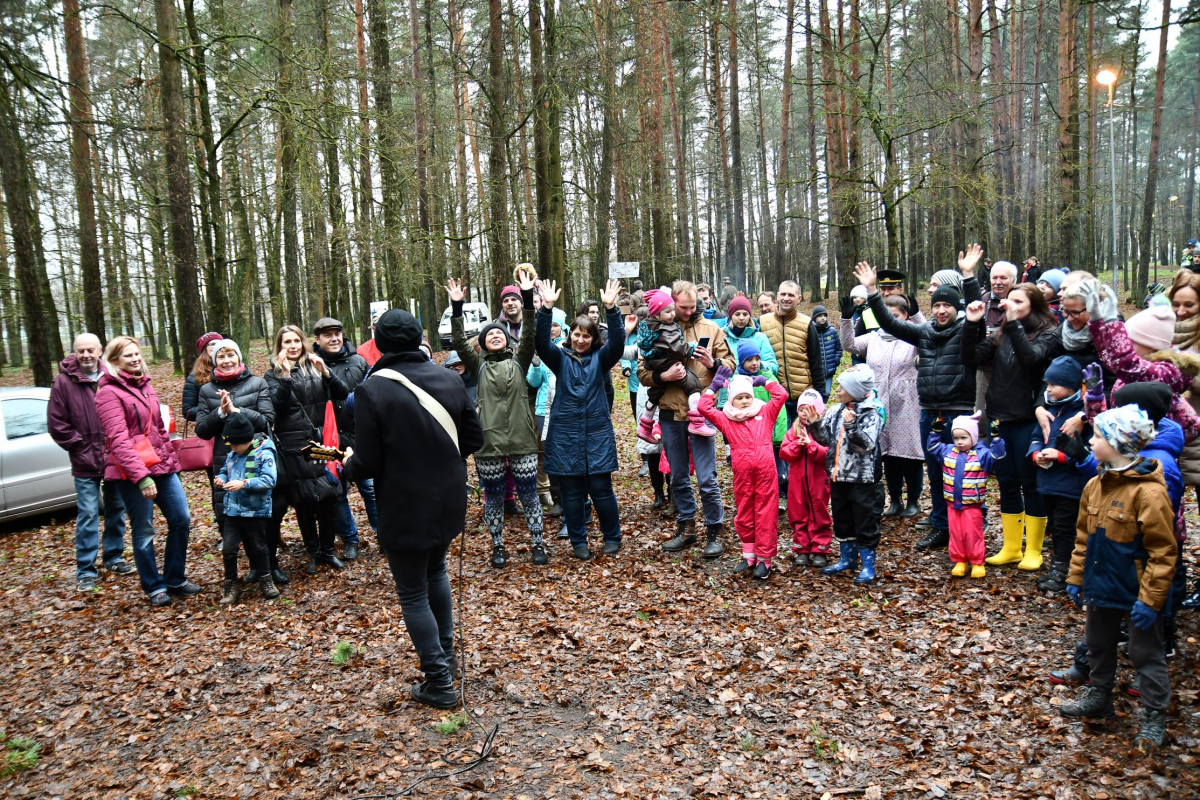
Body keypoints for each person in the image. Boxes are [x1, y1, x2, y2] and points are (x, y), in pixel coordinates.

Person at [342, 308, 484, 709]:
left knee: (411, 591)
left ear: (380, 344)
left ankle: (439, 680)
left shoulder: (373, 389)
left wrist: (348, 464)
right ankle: (448, 660)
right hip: (449, 497)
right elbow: (474, 439)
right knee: (435, 570)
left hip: (405, 503)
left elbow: (366, 462)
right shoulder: (448, 377)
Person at [1059, 405, 1174, 754]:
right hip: (1101, 584)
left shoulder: (1148, 493)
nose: (1090, 441)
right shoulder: (1095, 484)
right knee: (1098, 642)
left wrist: (1150, 600)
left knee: (1145, 652)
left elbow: (1163, 552)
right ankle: (1099, 696)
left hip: (1136, 591)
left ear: (1118, 442)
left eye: (1097, 436)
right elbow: (1083, 537)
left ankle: (1154, 716)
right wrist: (1077, 577)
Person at [855, 262, 975, 550]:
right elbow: (891, 323)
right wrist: (872, 292)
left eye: (948, 305)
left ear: (957, 308)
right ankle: (940, 526)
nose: (942, 310)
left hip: (959, 413)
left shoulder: (966, 331)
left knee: (963, 474)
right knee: (935, 474)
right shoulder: (925, 333)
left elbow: (976, 313)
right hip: (929, 413)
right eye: (937, 306)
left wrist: (969, 277)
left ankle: (967, 529)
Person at [446, 272, 545, 568]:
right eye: (489, 334)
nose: (496, 334)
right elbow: (459, 343)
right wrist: (457, 308)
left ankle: (538, 542)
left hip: (523, 439)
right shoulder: (477, 366)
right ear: (484, 343)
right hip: (488, 443)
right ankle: (498, 547)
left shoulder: (520, 359)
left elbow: (528, 332)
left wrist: (528, 298)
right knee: (494, 498)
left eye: (499, 332)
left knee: (529, 495)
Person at [963, 278, 1062, 571]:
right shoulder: (1002, 333)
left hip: (1029, 420)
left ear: (1035, 306)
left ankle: (1033, 549)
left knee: (1030, 485)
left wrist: (1014, 323)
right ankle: (1010, 547)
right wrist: (972, 324)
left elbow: (1030, 360)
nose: (1011, 306)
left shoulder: (1049, 334)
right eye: (1011, 301)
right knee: (1006, 483)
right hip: (1000, 420)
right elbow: (970, 357)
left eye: (1020, 303)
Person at [95, 336, 198, 606]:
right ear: (115, 360)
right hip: (131, 474)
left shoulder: (145, 384)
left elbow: (159, 429)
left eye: (137, 354)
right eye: (128, 355)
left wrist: (171, 463)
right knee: (144, 530)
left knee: (181, 518)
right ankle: (154, 586)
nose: (135, 359)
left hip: (161, 466)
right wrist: (141, 478)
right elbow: (118, 440)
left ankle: (175, 578)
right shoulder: (107, 392)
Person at [641, 280, 736, 558]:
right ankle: (686, 528)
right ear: (671, 303)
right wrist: (662, 376)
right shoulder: (656, 328)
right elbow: (642, 371)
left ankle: (715, 531)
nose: (687, 311)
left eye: (692, 306)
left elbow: (731, 364)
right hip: (671, 413)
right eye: (681, 307)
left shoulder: (712, 328)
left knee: (707, 478)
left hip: (702, 412)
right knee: (678, 476)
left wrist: (712, 363)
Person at [536, 278, 626, 560]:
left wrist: (612, 309)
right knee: (572, 493)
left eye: (586, 335)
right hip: (565, 434)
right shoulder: (558, 357)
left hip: (597, 432)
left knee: (601, 490)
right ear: (569, 335)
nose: (581, 339)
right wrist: (546, 308)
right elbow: (540, 341)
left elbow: (619, 342)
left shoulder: (602, 357)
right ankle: (579, 542)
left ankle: (612, 537)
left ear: (593, 338)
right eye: (576, 334)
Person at [48, 333, 130, 592]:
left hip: (114, 458)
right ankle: (85, 570)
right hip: (84, 462)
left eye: (90, 350)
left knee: (116, 509)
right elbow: (57, 424)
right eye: (80, 350)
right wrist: (81, 446)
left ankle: (114, 557)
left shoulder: (112, 376)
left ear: (99, 351)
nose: (85, 355)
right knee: (87, 514)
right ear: (75, 352)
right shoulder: (63, 382)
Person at [264, 325, 348, 577]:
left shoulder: (315, 365)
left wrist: (326, 373)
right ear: (279, 347)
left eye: (296, 341)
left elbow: (343, 393)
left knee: (330, 494)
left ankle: (327, 550)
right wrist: (286, 377)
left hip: (322, 443)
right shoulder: (272, 375)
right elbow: (276, 407)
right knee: (304, 500)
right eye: (286, 342)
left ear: (303, 343)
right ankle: (313, 552)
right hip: (295, 446)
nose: (292, 346)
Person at [839, 293, 924, 518]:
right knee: (887, 454)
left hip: (907, 402)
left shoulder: (912, 337)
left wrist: (916, 316)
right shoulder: (874, 337)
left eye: (896, 316)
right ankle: (894, 499)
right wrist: (846, 319)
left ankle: (913, 500)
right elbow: (849, 345)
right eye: (887, 316)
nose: (891, 320)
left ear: (905, 317)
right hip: (879, 402)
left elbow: (928, 335)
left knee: (910, 454)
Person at [700, 366, 788, 579]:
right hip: (743, 476)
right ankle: (749, 555)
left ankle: (764, 560)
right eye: (740, 397)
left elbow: (781, 395)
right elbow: (704, 408)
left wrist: (765, 380)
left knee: (765, 514)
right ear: (731, 401)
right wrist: (714, 387)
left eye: (748, 396)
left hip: (766, 474)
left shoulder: (765, 413)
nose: (746, 401)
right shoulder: (726, 420)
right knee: (745, 513)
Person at [802, 364, 884, 585]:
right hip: (838, 477)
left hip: (862, 480)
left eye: (842, 387)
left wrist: (851, 427)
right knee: (842, 519)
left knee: (865, 520)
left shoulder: (870, 412)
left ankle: (868, 564)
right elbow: (825, 439)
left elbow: (866, 445)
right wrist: (815, 423)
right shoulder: (836, 410)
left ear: (855, 390)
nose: (837, 390)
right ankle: (847, 558)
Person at [194, 338, 275, 548]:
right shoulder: (206, 391)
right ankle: (236, 560)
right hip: (225, 459)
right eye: (221, 356)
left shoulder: (258, 384)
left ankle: (265, 566)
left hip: (257, 456)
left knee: (258, 514)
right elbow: (202, 430)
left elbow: (266, 421)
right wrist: (220, 412)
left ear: (239, 357)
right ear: (214, 360)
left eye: (231, 355)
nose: (227, 361)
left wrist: (236, 411)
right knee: (227, 511)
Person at [311, 317, 374, 561]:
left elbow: (367, 395)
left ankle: (382, 534)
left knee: (369, 489)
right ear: (317, 339)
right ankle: (350, 539)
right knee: (336, 493)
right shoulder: (309, 366)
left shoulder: (358, 361)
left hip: (359, 437)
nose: (334, 338)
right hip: (326, 441)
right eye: (327, 335)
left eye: (337, 333)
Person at [1027, 356, 1091, 593]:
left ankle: (1062, 573)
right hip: (1047, 482)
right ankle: (1058, 568)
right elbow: (1035, 436)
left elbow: (1090, 450)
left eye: (1055, 384)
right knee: (1054, 525)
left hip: (1071, 485)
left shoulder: (1083, 415)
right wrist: (1036, 454)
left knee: (1066, 528)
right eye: (1047, 383)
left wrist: (1061, 456)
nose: (1049, 389)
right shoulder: (1048, 409)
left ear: (1073, 386)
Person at [925, 413, 1005, 578]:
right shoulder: (948, 451)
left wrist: (996, 439)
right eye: (956, 438)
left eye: (964, 437)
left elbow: (997, 456)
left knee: (972, 534)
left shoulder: (982, 455)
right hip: (952, 504)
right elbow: (932, 448)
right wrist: (935, 432)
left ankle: (977, 561)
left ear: (973, 437)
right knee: (956, 533)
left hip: (972, 505)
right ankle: (960, 559)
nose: (959, 442)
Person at [213, 413, 280, 604]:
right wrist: (222, 480)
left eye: (235, 445)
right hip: (233, 511)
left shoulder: (264, 453)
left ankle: (266, 579)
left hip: (255, 511)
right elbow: (225, 471)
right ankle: (231, 585)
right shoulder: (233, 454)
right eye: (231, 446)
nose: (232, 449)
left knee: (259, 547)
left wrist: (244, 484)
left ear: (247, 440)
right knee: (229, 549)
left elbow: (269, 480)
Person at [633, 288, 708, 441]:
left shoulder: (650, 326)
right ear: (657, 314)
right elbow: (678, 348)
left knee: (655, 393)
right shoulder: (666, 328)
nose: (672, 314)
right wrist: (691, 347)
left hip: (655, 362)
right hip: (668, 364)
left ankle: (645, 424)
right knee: (693, 384)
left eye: (672, 310)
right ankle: (698, 422)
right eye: (669, 311)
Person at [760, 280, 827, 425]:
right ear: (777, 296)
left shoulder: (807, 323)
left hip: (802, 398)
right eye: (783, 294)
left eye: (791, 295)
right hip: (774, 397)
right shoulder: (763, 323)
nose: (786, 298)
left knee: (803, 443)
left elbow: (816, 363)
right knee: (778, 444)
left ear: (799, 298)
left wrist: (821, 397)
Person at [779, 390, 832, 567]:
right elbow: (784, 453)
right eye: (801, 409)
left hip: (818, 480)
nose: (804, 413)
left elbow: (828, 454)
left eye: (809, 409)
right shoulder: (793, 430)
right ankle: (802, 548)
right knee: (798, 513)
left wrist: (811, 446)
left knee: (819, 513)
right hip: (797, 481)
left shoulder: (822, 431)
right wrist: (797, 445)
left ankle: (820, 548)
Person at [961, 252, 1017, 417]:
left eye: (1003, 278)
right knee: (981, 416)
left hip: (1012, 369)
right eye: (994, 278)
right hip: (985, 368)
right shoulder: (983, 300)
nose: (998, 282)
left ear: (1013, 280)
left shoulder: (1021, 301)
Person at [721, 295, 777, 374]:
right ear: (731, 316)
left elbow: (774, 367)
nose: (741, 318)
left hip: (756, 384)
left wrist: (757, 365)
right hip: (729, 384)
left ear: (750, 316)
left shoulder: (760, 338)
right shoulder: (722, 338)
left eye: (745, 314)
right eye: (737, 314)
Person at [182, 331, 224, 423]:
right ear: (205, 349)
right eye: (212, 344)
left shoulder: (233, 370)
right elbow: (187, 411)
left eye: (220, 343)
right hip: (210, 428)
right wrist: (216, 409)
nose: (217, 346)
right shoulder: (195, 376)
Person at [811, 305, 842, 397]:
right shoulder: (811, 331)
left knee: (827, 393)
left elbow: (839, 348)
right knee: (816, 394)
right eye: (820, 316)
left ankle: (823, 409)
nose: (823, 318)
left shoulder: (832, 331)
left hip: (829, 369)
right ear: (815, 317)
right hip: (816, 371)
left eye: (824, 315)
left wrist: (835, 360)